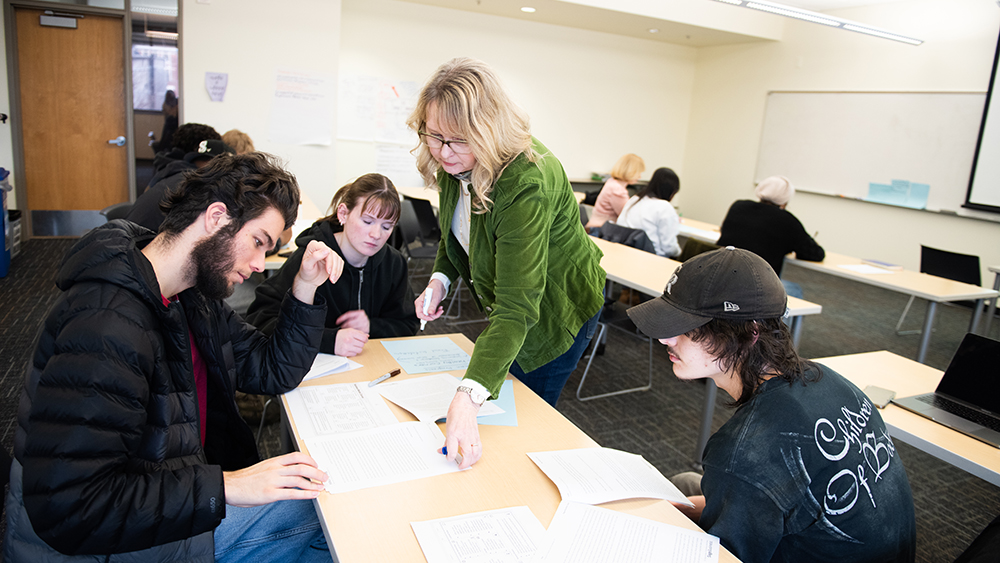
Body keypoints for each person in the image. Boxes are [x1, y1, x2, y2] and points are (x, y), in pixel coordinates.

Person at [5, 152, 345, 562]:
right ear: (216, 217)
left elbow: (271, 369)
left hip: (168, 495)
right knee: (329, 518)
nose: (259, 265)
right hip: (106, 542)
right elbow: (75, 506)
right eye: (258, 242)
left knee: (325, 505)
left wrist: (305, 288)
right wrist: (227, 487)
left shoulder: (190, 297)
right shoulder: (107, 324)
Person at [625, 247, 916, 562]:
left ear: (748, 334)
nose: (666, 339)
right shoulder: (828, 380)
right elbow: (769, 492)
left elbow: (726, 551)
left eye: (687, 329)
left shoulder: (744, 451)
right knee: (683, 485)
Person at [408, 58, 605, 469]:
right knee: (494, 394)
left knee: (523, 424)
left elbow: (519, 307)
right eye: (434, 135)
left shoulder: (525, 181)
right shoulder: (455, 157)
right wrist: (441, 279)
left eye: (457, 140)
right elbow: (456, 232)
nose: (442, 152)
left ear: (488, 130)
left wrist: (468, 397)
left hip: (556, 307)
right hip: (516, 304)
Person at [246, 173, 418, 357]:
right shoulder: (312, 258)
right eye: (367, 221)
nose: (376, 234)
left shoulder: (394, 263)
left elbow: (408, 324)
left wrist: (372, 326)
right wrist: (328, 340)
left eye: (387, 226)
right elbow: (260, 319)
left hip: (371, 366)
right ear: (343, 213)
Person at [716, 175, 825, 298]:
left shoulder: (738, 206)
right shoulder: (787, 221)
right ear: (785, 201)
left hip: (721, 277)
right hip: (757, 286)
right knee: (795, 290)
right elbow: (816, 254)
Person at [127, 138, 235, 232]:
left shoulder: (174, 172)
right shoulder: (193, 186)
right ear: (218, 163)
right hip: (140, 245)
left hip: (130, 236)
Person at [616, 166, 682, 258]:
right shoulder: (665, 207)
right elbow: (669, 247)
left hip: (625, 251)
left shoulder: (635, 199)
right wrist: (680, 253)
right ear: (671, 191)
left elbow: (620, 223)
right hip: (652, 257)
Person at [585, 153, 645, 229]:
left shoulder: (612, 182)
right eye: (638, 173)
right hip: (601, 229)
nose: (639, 177)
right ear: (630, 172)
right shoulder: (617, 190)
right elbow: (627, 216)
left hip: (597, 227)